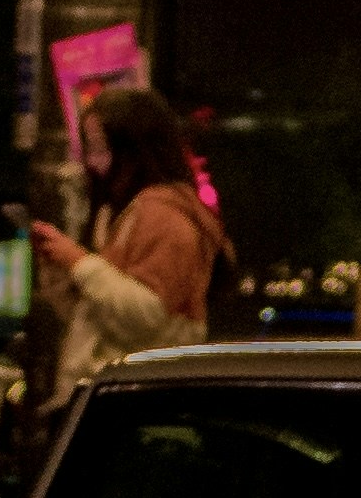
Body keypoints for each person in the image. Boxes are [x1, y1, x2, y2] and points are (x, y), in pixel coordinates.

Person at [30, 83, 225, 388]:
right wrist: (61, 269)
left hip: (138, 399)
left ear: (134, 149)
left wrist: (78, 261)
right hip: (116, 392)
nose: (91, 163)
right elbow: (99, 318)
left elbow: (146, 315)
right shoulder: (126, 212)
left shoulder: (166, 215)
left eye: (100, 148)